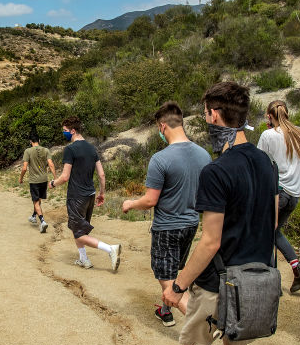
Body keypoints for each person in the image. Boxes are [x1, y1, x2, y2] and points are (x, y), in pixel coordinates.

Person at [163, 82, 278, 345]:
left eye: (206, 114)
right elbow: (272, 223)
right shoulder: (266, 163)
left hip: (221, 280)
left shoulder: (217, 171)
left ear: (213, 115)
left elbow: (209, 241)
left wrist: (178, 285)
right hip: (257, 277)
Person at [121, 102, 211, 327]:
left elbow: (151, 200)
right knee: (175, 273)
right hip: (191, 224)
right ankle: (164, 311)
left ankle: (205, 323)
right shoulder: (204, 155)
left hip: (167, 227)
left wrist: (130, 204)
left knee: (167, 279)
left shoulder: (160, 159)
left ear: (162, 127)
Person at [50, 116, 121, 271]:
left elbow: (65, 176)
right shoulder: (91, 148)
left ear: (73, 131)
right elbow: (102, 175)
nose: (64, 134)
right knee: (78, 229)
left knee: (79, 232)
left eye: (65, 131)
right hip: (90, 195)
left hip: (76, 197)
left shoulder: (70, 149)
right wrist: (102, 193)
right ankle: (84, 259)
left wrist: (52, 183)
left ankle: (110, 249)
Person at [257, 100, 300, 293]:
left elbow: (259, 162)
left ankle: (273, 283)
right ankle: (298, 270)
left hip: (277, 193)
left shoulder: (268, 135)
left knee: (263, 234)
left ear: (269, 116)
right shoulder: (299, 134)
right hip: (294, 193)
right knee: (274, 233)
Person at [19, 130, 57, 234]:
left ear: (30, 141)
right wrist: (55, 178)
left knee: (35, 201)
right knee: (38, 200)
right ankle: (33, 216)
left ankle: (42, 221)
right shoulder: (46, 150)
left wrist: (21, 178)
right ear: (39, 140)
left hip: (34, 180)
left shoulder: (28, 151)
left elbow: (24, 168)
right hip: (44, 179)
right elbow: (51, 164)